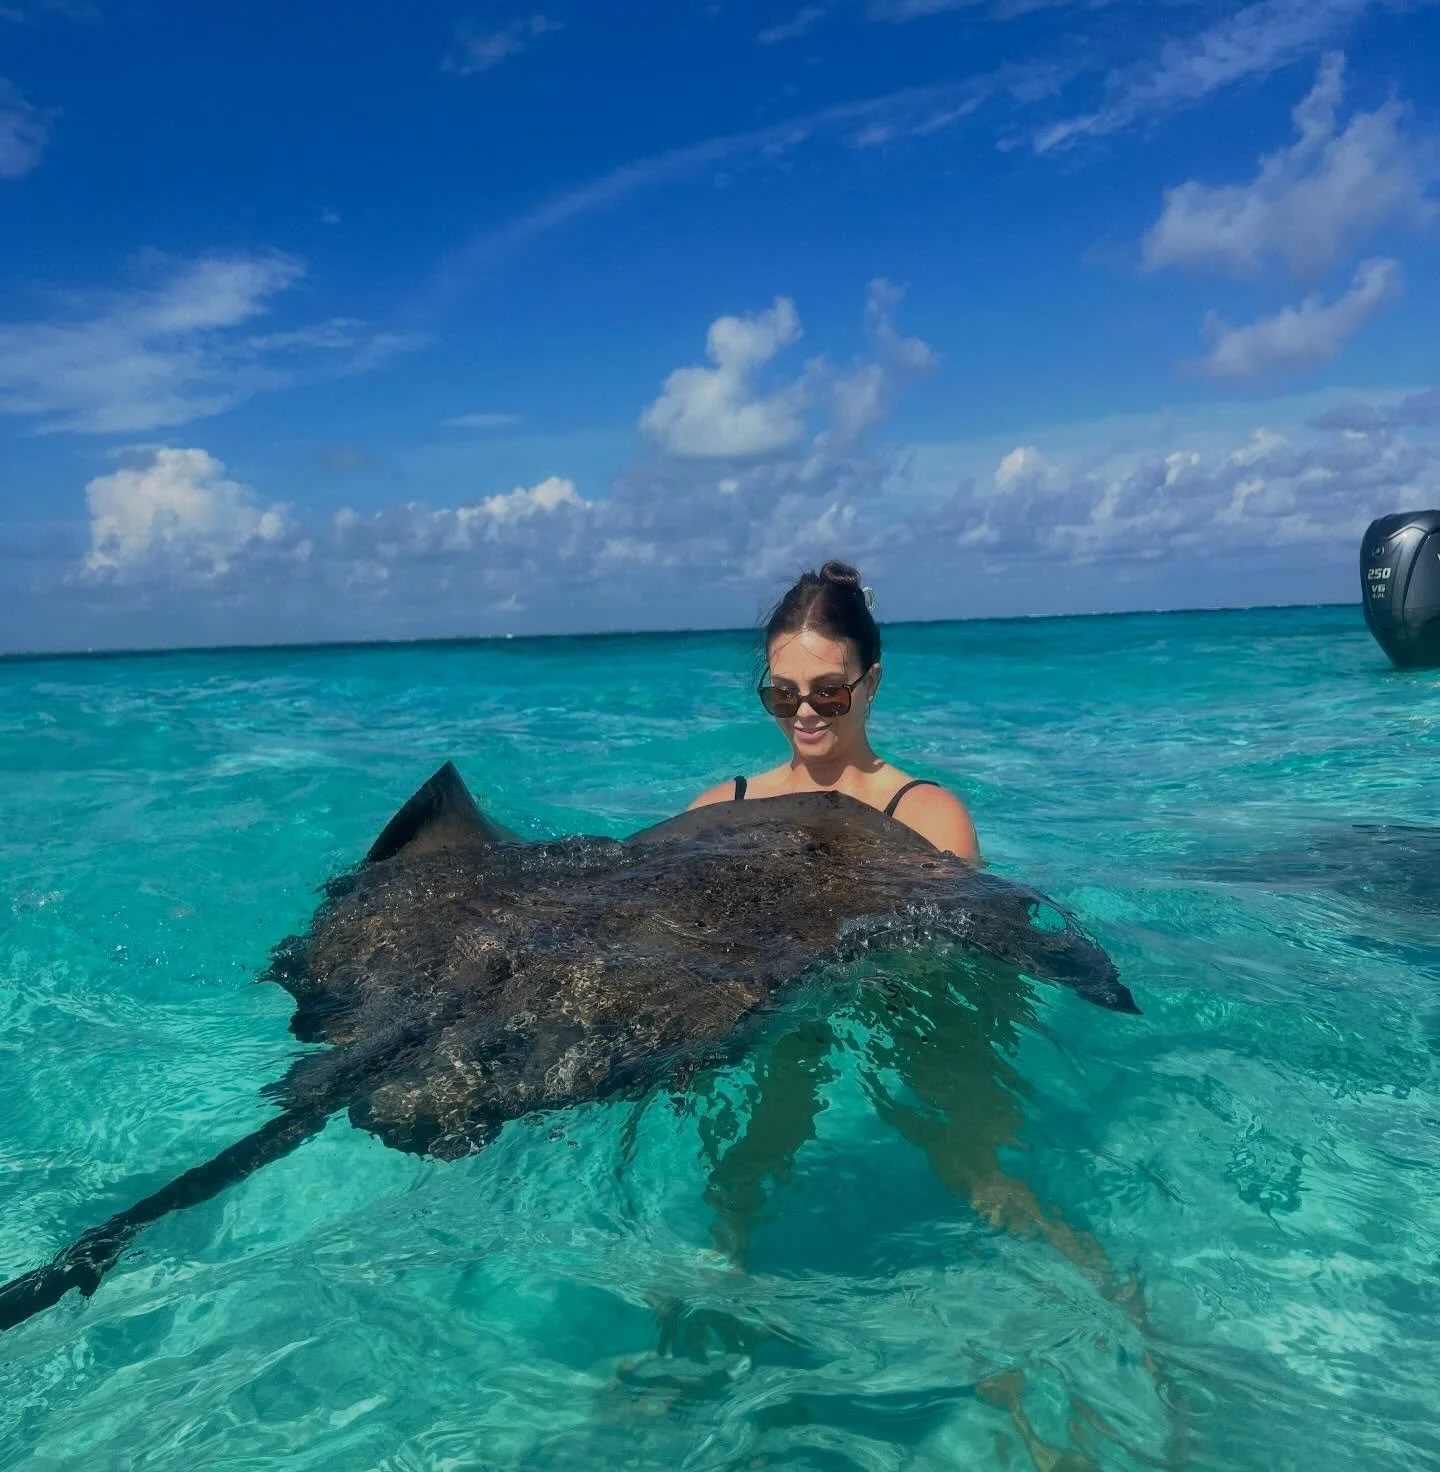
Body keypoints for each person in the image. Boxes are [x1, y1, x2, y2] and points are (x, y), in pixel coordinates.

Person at [688, 560, 980, 862]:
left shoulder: (930, 820)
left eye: (827, 692)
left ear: (870, 683)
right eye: (785, 693)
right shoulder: (716, 811)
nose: (804, 713)